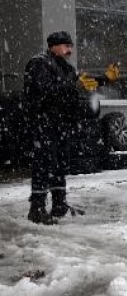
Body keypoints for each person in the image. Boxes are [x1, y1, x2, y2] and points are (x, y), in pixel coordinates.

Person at [24, 31, 82, 224]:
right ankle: (37, 208)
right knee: (44, 163)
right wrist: (72, 86)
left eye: (71, 46)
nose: (70, 50)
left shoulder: (66, 67)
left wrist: (103, 79)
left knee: (60, 163)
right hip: (43, 122)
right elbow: (45, 91)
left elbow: (74, 86)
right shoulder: (39, 63)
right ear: (53, 46)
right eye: (66, 46)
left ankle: (59, 204)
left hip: (62, 123)